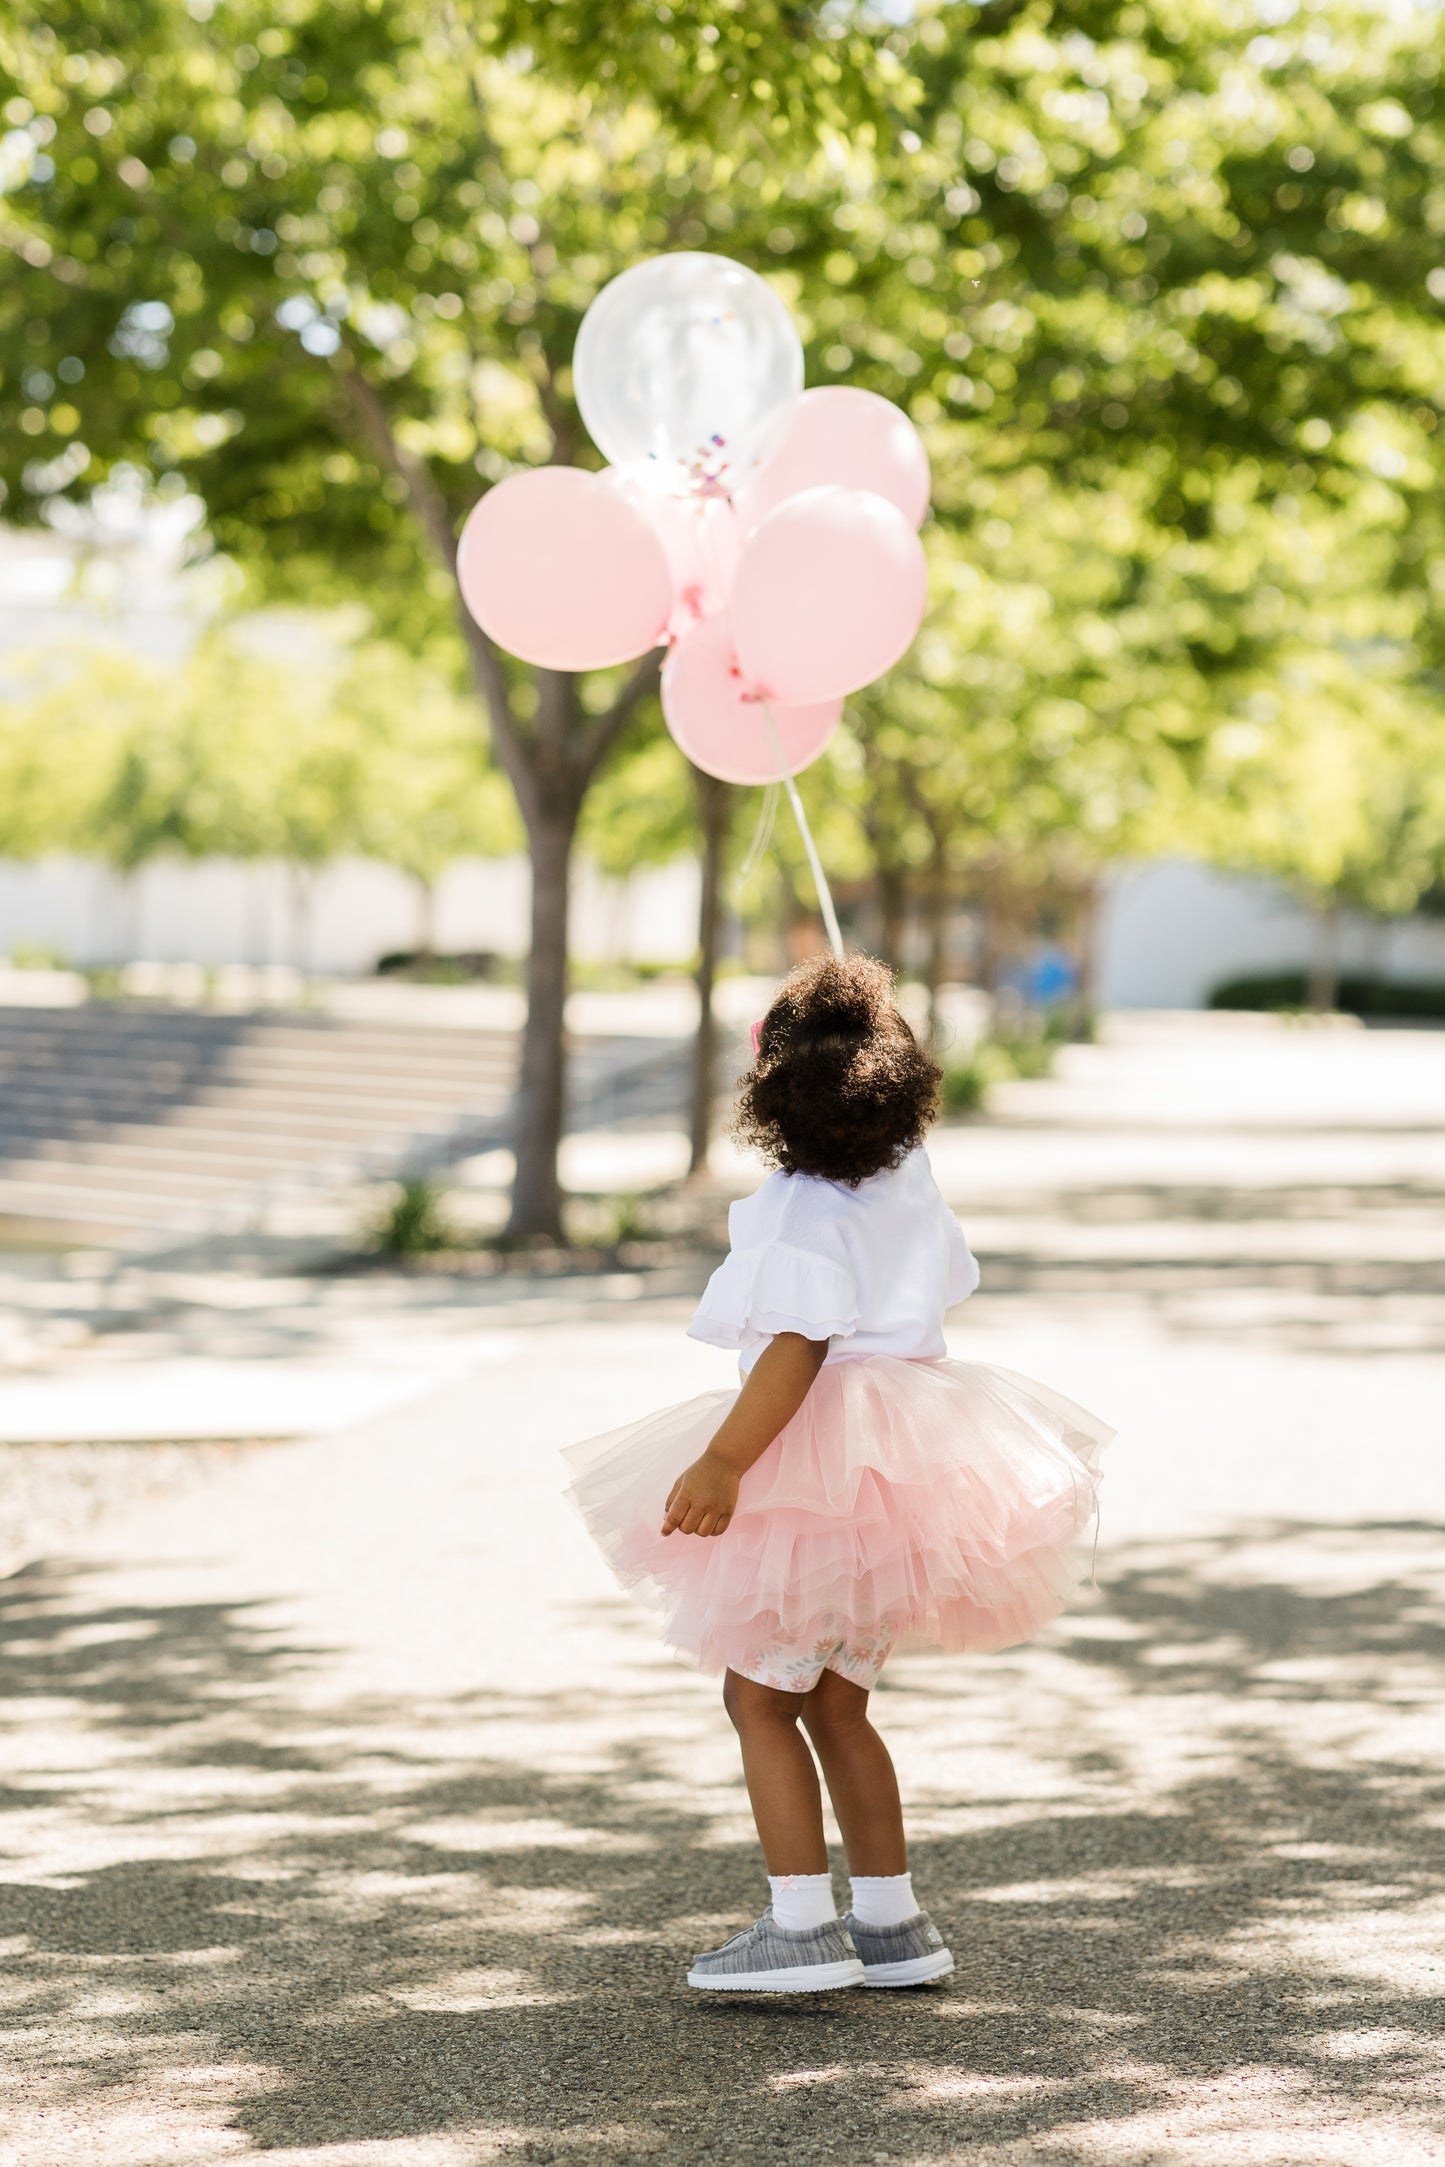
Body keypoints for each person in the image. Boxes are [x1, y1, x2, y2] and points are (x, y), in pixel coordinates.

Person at [564, 952, 1112, 1995]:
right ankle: (892, 1923)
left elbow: (797, 1345)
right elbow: (948, 1277)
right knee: (836, 1705)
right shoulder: (909, 1182)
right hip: (898, 1471)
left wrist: (726, 1459)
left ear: (772, 1097)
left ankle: (799, 1926)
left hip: (814, 1471)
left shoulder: (794, 1210)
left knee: (759, 1701)